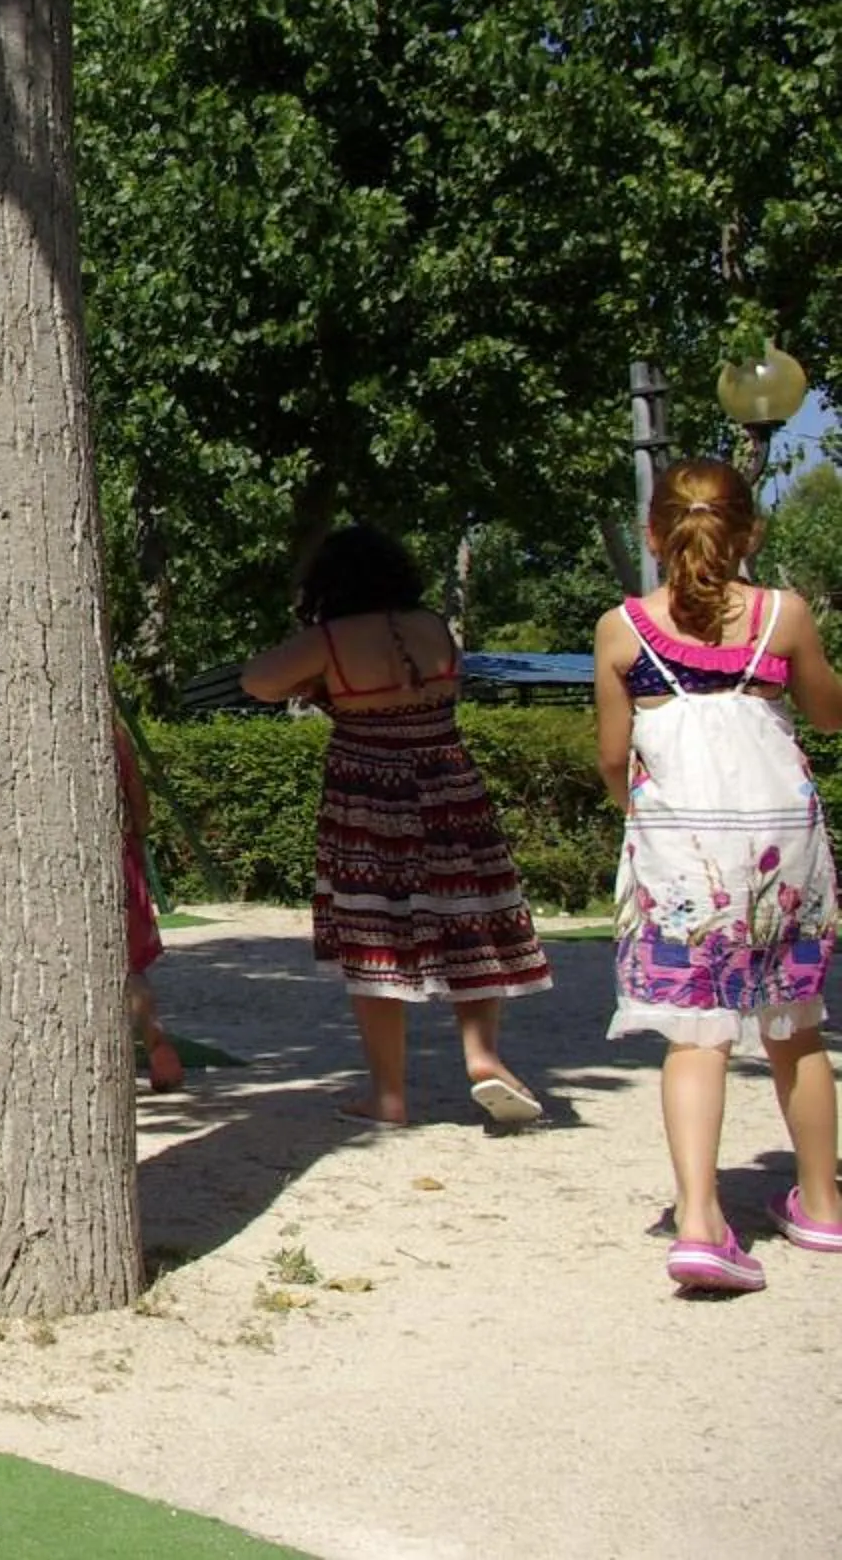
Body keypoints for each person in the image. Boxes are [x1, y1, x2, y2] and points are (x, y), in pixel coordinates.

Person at [593, 459, 842, 1294]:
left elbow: (611, 756)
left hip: (682, 851)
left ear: (651, 533)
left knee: (696, 1035)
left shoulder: (623, 629)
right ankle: (820, 1201)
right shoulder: (785, 616)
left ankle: (700, 1222)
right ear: (751, 533)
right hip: (781, 850)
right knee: (793, 1025)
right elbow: (828, 711)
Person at [241, 524, 549, 1128]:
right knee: (468, 916)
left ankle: (388, 1094)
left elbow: (257, 680)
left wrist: (315, 674)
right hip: (449, 781)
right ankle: (482, 1056)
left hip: (369, 791)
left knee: (373, 931)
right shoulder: (432, 627)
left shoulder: (330, 639)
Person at [116, 718, 185, 1093]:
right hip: (122, 855)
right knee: (130, 967)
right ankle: (156, 1039)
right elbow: (141, 807)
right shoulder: (115, 730)